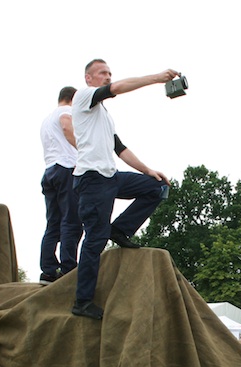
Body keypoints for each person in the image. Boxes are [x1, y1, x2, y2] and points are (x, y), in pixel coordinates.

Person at [69, 59, 177, 320]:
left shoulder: (104, 117)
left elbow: (120, 149)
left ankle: (120, 229)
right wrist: (155, 78)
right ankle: (82, 301)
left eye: (109, 73)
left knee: (155, 187)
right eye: (102, 73)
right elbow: (116, 88)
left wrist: (148, 170)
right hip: (92, 180)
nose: (107, 77)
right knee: (95, 239)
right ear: (89, 78)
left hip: (110, 176)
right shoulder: (83, 97)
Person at [39, 86, 82, 285]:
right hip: (66, 167)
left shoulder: (46, 120)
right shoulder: (67, 112)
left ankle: (48, 269)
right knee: (71, 220)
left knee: (53, 222)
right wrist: (84, 149)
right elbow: (67, 127)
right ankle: (68, 268)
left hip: (50, 170)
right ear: (72, 99)